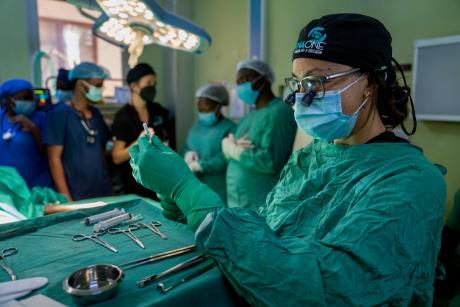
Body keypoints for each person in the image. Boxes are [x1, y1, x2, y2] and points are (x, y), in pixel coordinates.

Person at [129, 14, 446, 305]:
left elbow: (330, 288)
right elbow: (262, 236)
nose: (302, 96)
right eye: (298, 82)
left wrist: (189, 190)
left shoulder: (412, 180)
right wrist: (176, 197)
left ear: (369, 83)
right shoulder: (309, 158)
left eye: (318, 81)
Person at [223, 59, 297, 210]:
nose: (241, 86)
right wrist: (228, 148)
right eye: (238, 82)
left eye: (245, 79)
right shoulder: (248, 117)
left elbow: (270, 162)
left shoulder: (280, 112)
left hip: (261, 204)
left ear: (263, 79)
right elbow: (232, 152)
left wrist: (236, 151)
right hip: (238, 202)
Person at [44, 62, 112, 201]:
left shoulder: (96, 114)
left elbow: (102, 152)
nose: (100, 90)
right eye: (98, 85)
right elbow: (53, 159)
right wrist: (66, 198)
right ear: (81, 85)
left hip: (101, 189)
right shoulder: (60, 114)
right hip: (76, 193)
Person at [111, 63, 172, 198]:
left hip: (161, 181)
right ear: (134, 86)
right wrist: (138, 142)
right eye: (148, 82)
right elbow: (117, 157)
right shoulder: (123, 117)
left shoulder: (158, 111)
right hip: (136, 185)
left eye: (154, 83)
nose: (152, 87)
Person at [182, 83, 236, 203]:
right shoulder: (196, 127)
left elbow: (226, 158)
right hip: (195, 188)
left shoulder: (229, 128)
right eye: (199, 109)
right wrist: (187, 154)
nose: (202, 112)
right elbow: (186, 146)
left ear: (218, 105)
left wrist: (200, 165)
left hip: (217, 189)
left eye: (206, 108)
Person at [0, 79, 53, 189]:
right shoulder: (1, 118)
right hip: (7, 184)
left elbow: (47, 151)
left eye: (30, 98)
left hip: (36, 183)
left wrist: (32, 128)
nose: (28, 102)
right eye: (22, 98)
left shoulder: (40, 118)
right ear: (8, 99)